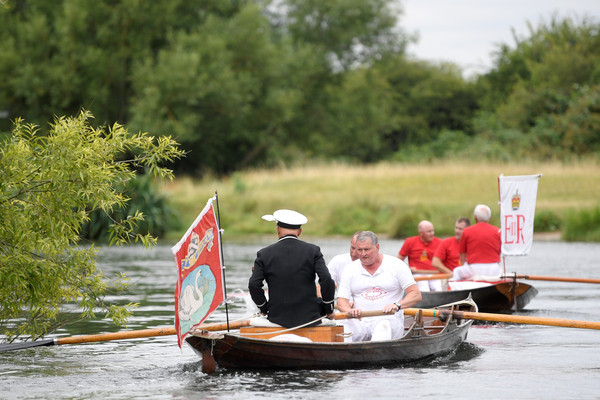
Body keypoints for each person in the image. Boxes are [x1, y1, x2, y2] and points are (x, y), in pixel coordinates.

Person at [248, 209, 336, 328]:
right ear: (299, 232)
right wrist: (329, 309)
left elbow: (253, 285)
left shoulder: (264, 254)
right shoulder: (313, 251)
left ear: (278, 229)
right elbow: (326, 279)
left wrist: (264, 308)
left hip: (276, 316)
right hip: (310, 316)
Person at [337, 231, 422, 342]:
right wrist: (349, 311)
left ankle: (373, 354)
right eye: (359, 250)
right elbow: (341, 301)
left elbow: (416, 294)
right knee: (341, 323)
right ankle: (343, 354)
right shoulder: (350, 269)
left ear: (377, 247)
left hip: (388, 319)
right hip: (360, 321)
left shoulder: (396, 265)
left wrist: (397, 305)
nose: (363, 254)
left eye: (367, 249)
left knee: (383, 325)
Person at [452, 204, 502, 280]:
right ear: (489, 218)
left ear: (476, 218)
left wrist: (464, 266)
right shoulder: (498, 231)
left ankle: (455, 289)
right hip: (494, 268)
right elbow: (501, 251)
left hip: (474, 268)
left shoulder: (467, 231)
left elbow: (462, 255)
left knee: (457, 271)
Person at [397, 220, 442, 291]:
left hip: (435, 274)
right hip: (417, 274)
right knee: (424, 287)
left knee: (438, 288)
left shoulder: (440, 243)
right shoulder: (410, 242)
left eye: (432, 231)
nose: (432, 234)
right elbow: (398, 261)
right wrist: (407, 269)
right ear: (421, 233)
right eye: (429, 232)